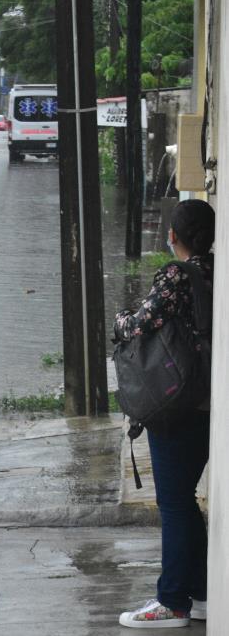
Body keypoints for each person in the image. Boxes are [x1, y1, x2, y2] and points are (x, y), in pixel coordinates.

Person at [114, 199, 215, 629]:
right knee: (184, 501)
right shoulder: (217, 271)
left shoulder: (177, 274)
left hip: (176, 402)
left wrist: (120, 320)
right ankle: (203, 592)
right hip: (210, 399)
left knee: (174, 503)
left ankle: (171, 602)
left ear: (173, 236)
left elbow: (140, 324)